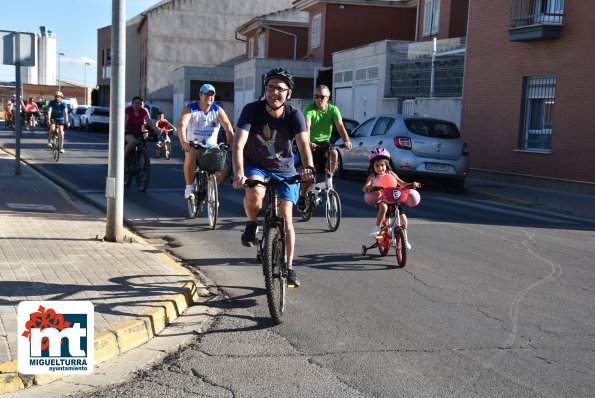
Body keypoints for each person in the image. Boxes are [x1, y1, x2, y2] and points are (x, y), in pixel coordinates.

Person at [232, 68, 315, 287]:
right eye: (270, 87)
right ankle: (251, 224)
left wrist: (309, 167)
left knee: (286, 215)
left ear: (288, 94)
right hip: (256, 165)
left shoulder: (294, 115)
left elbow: (303, 144)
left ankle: (288, 268)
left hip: (284, 169)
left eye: (280, 89)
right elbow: (238, 144)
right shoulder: (252, 110)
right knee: (256, 193)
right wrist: (239, 172)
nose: (274, 92)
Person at [298, 84, 352, 211]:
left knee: (334, 153)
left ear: (328, 98)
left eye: (322, 97)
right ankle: (302, 197)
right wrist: (308, 142)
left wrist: (346, 140)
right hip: (309, 144)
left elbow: (340, 126)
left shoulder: (333, 110)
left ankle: (329, 181)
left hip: (324, 143)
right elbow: (307, 126)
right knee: (309, 174)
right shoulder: (309, 108)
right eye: (316, 96)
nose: (318, 99)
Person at [178, 84, 234, 198]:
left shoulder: (218, 110)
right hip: (194, 145)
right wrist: (184, 141)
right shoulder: (190, 108)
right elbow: (181, 125)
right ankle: (189, 188)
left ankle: (211, 189)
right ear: (200, 95)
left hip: (212, 147)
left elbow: (228, 126)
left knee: (223, 169)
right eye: (206, 94)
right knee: (191, 152)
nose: (209, 96)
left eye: (212, 94)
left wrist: (231, 142)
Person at [362, 147, 421, 249]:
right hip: (381, 199)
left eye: (382, 165)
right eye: (377, 166)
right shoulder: (373, 176)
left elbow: (402, 183)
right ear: (373, 167)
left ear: (386, 165)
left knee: (404, 220)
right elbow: (365, 187)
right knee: (383, 208)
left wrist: (412, 184)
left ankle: (404, 240)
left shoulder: (391, 174)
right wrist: (370, 187)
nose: (380, 168)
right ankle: (377, 228)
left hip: (394, 199)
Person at [124, 96, 155, 160]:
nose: (137, 105)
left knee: (142, 145)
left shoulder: (143, 111)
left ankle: (141, 168)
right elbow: (125, 121)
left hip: (139, 131)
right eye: (136, 103)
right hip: (128, 131)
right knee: (132, 142)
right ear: (132, 104)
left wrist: (156, 129)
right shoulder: (128, 110)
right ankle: (122, 159)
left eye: (139, 103)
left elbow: (149, 121)